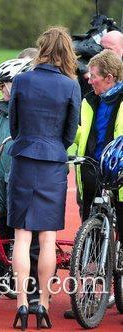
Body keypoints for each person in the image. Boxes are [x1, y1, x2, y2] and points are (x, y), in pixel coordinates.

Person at [8, 26, 80, 329]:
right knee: (48, 238)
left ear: (42, 48)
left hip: (24, 159)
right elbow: (70, 130)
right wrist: (53, 147)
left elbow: (14, 125)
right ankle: (44, 305)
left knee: (22, 237)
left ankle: (22, 303)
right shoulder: (71, 86)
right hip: (52, 162)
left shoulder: (21, 80)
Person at [68, 47, 122, 279]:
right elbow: (81, 134)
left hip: (119, 179)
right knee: (90, 237)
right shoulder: (89, 101)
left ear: (110, 78)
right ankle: (87, 298)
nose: (90, 82)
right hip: (91, 174)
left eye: (94, 77)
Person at [0, 57, 33, 307]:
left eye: (4, 84)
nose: (0, 89)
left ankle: (28, 287)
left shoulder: (29, 114)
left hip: (19, 184)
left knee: (23, 236)